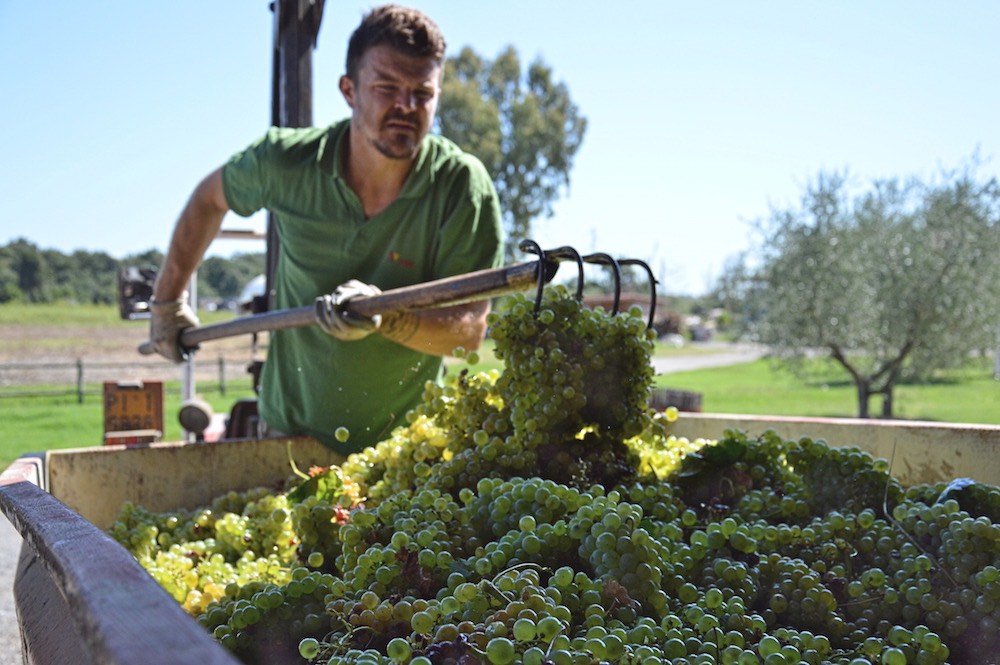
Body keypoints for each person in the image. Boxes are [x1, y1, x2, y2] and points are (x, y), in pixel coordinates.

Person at [148, 4, 504, 453]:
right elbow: (208, 200)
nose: (406, 106)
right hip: (289, 439)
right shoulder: (287, 163)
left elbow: (466, 331)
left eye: (423, 92)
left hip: (406, 452)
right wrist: (166, 302)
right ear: (349, 90)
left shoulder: (460, 186)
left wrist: (383, 317)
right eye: (387, 87)